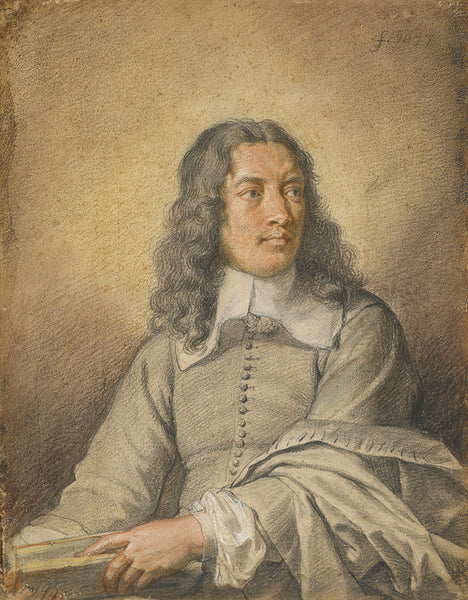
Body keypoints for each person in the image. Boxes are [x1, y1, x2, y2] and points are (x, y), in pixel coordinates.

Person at [6, 119, 467, 600]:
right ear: (210, 212)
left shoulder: (359, 326)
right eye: (252, 193)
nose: (281, 213)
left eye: (293, 192)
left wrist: (197, 533)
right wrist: (25, 563)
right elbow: (106, 494)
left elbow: (338, 477)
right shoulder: (172, 348)